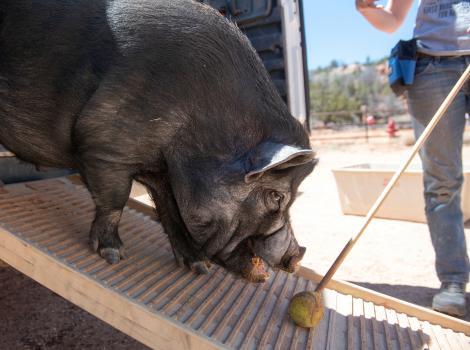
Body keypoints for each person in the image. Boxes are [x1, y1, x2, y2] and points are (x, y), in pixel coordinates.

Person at [356, 0, 470, 317]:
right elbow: (393, 20)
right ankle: (453, 282)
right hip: (433, 69)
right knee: (442, 183)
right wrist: (366, 9)